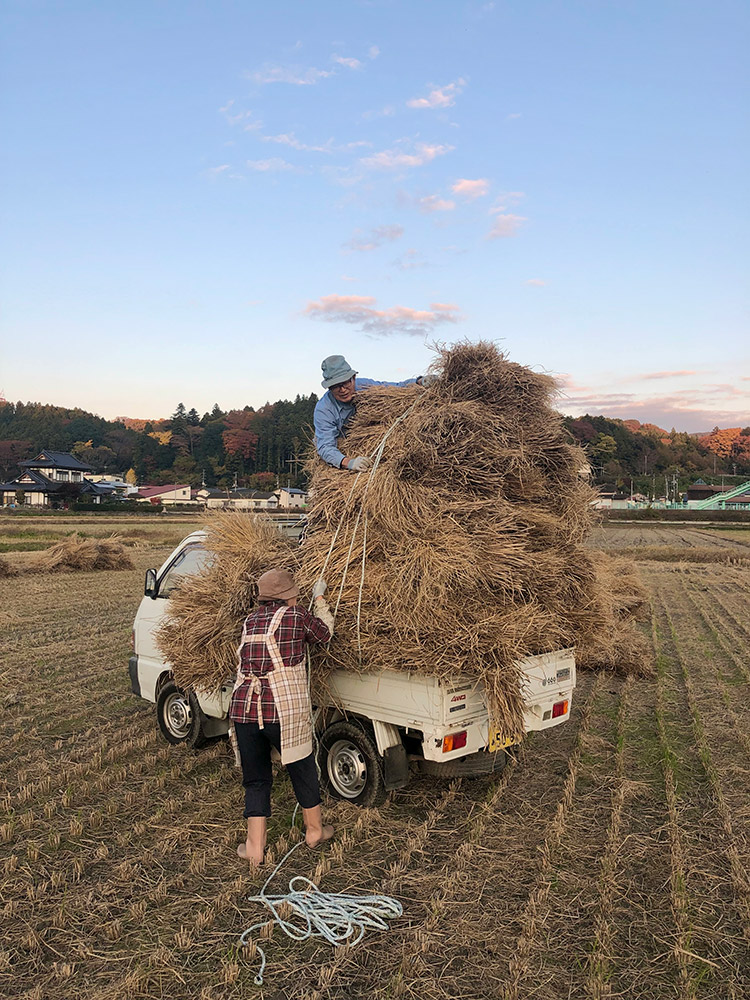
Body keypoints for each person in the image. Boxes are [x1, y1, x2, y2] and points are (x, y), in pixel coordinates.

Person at [230, 568, 334, 867]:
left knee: (256, 779)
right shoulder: (297, 616)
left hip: (244, 710)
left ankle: (254, 849)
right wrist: (320, 598)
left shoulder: (250, 621)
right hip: (281, 709)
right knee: (302, 767)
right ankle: (314, 832)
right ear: (288, 596)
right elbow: (325, 634)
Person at [313, 354, 429, 470]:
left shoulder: (364, 386)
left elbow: (395, 388)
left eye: (345, 383)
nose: (342, 390)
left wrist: (419, 382)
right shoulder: (324, 409)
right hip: (345, 447)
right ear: (329, 388)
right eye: (336, 386)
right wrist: (349, 462)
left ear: (353, 378)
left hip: (369, 440)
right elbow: (325, 446)